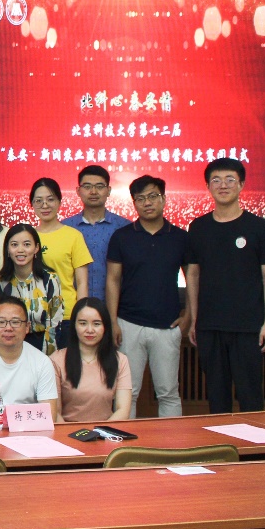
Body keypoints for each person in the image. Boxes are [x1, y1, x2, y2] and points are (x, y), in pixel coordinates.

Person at [186, 158, 265, 413]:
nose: (223, 185)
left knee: (250, 396)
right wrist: (194, 320)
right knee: (217, 398)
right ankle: (222, 441)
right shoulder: (198, 227)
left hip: (248, 326)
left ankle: (254, 441)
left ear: (241, 184)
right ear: (208, 186)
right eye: (216, 180)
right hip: (210, 326)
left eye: (230, 179)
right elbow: (192, 275)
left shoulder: (259, 227)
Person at [106, 175, 194, 417]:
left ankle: (171, 441)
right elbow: (113, 280)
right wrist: (113, 321)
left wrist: (188, 315)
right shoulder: (122, 237)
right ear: (134, 203)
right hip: (128, 323)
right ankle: (125, 441)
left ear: (163, 199)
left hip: (168, 325)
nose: (147, 202)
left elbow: (192, 278)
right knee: (128, 392)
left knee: (168, 392)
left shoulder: (180, 237)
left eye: (153, 196)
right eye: (140, 198)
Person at [0, 297, 59, 425]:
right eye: (1, 322)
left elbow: (48, 414)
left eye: (15, 322)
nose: (8, 328)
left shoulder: (42, 362)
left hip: (28, 433)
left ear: (27, 327)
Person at [30, 177, 93, 348]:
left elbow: (82, 282)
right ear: (32, 204)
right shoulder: (27, 237)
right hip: (33, 315)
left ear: (59, 202)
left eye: (50, 199)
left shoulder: (73, 236)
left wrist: (81, 316)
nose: (45, 205)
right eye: (39, 201)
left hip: (65, 316)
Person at [50, 297, 131, 423]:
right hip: (67, 431)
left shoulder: (120, 360)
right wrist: (72, 434)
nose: (89, 330)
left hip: (106, 431)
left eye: (96, 324)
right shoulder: (56, 360)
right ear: (74, 325)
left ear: (105, 326)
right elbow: (54, 413)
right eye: (83, 323)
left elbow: (123, 410)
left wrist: (99, 432)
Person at [62, 165, 130, 302]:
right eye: (87, 186)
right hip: (73, 307)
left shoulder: (125, 228)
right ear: (78, 191)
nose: (93, 192)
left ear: (108, 190)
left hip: (117, 307)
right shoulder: (65, 228)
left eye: (99, 186)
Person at [0, 223, 64, 355]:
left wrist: (46, 359)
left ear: (36, 248)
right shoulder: (0, 282)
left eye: (27, 244)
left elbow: (54, 324)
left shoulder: (50, 280)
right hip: (9, 346)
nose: (20, 250)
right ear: (7, 249)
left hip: (43, 347)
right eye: (14, 245)